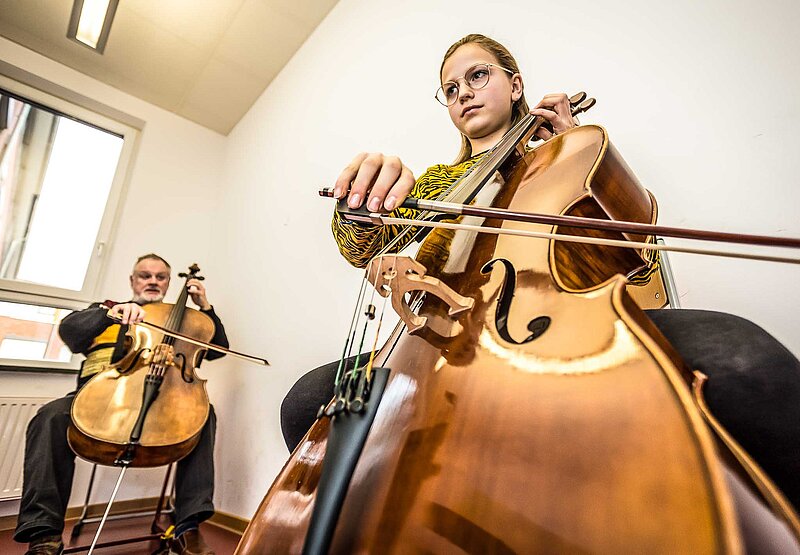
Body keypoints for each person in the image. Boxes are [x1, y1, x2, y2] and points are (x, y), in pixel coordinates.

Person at [280, 33, 800, 515]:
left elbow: (637, 247)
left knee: (740, 361)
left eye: (477, 76)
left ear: (515, 83)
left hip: (549, 324)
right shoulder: (438, 182)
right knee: (306, 403)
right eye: (450, 89)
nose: (463, 93)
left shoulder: (560, 152)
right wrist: (362, 208)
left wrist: (576, 149)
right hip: (441, 341)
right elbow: (360, 244)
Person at [14, 253, 229, 555]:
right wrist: (109, 312)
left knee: (203, 415)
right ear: (132, 280)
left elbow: (217, 349)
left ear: (168, 282)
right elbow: (70, 332)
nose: (153, 281)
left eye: (160, 277)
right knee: (49, 416)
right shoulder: (108, 311)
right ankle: (44, 534)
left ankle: (187, 527)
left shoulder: (180, 320)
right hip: (94, 401)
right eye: (145, 275)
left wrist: (206, 307)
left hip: (159, 403)